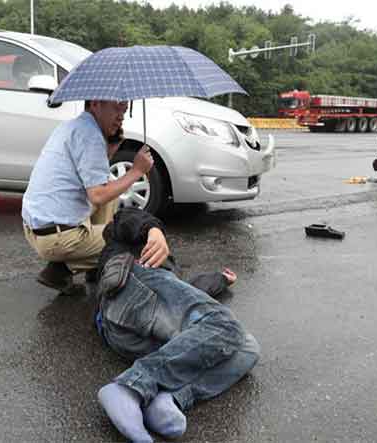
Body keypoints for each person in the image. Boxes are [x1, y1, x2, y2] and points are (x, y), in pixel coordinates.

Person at [94, 207, 260, 443]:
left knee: (247, 347)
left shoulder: (164, 280)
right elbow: (125, 216)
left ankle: (168, 397)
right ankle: (130, 387)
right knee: (225, 326)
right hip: (130, 284)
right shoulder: (125, 243)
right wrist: (153, 230)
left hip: (131, 332)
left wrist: (220, 279)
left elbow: (185, 295)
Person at [22, 100, 168, 294]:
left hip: (36, 229)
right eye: (117, 107)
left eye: (124, 110)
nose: (121, 115)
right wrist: (136, 171)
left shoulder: (72, 126)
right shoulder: (90, 136)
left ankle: (94, 266)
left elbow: (95, 176)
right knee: (131, 243)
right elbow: (98, 195)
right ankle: (60, 270)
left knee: (109, 186)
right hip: (57, 237)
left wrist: (112, 143)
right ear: (96, 103)